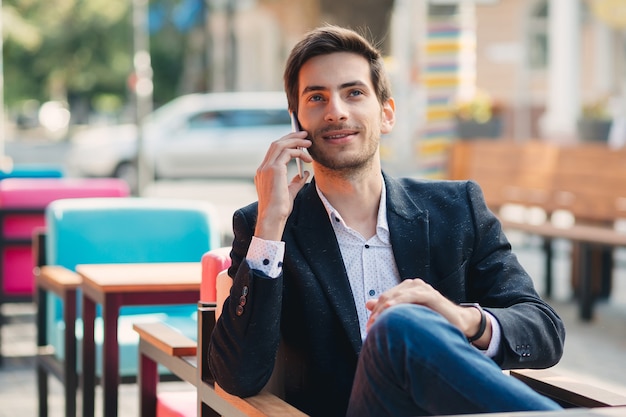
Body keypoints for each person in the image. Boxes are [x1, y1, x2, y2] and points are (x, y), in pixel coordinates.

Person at [209, 25, 566, 417]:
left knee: (407, 324)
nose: (337, 111)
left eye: (354, 93)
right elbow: (236, 376)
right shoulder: (268, 230)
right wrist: (271, 223)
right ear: (297, 125)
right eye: (317, 97)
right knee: (399, 326)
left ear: (387, 114)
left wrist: (458, 318)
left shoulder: (457, 208)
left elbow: (544, 330)